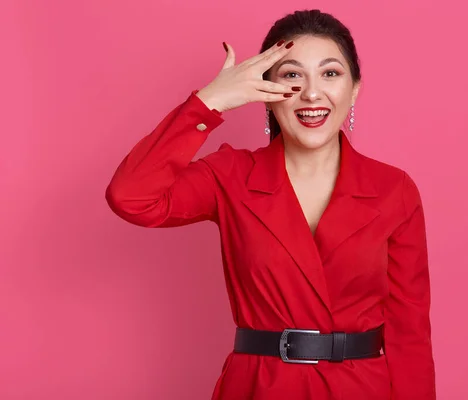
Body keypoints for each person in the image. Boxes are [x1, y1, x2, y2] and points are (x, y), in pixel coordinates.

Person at [105, 9, 436, 400]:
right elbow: (131, 197)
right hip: (259, 388)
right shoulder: (231, 175)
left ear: (355, 89)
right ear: (264, 91)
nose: (312, 93)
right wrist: (210, 102)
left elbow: (409, 332)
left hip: (361, 389)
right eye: (292, 75)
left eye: (330, 73)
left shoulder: (393, 189)